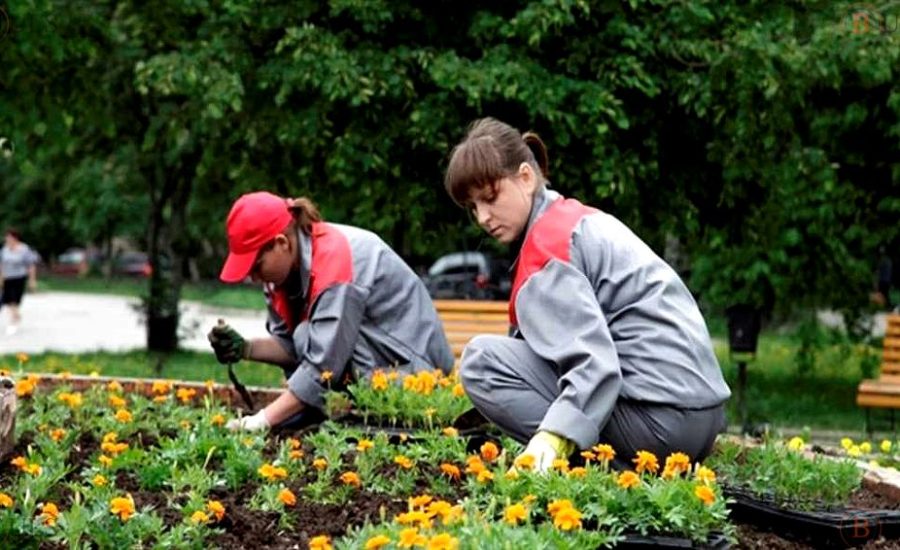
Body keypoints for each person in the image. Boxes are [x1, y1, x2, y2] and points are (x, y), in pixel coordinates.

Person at [443, 118, 731, 471]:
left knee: (482, 362)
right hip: (698, 418)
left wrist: (553, 438)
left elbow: (594, 364)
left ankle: (606, 472)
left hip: (660, 426)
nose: (483, 217)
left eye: (489, 197)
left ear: (526, 177)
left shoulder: (548, 247)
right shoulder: (574, 222)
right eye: (473, 207)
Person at [209, 191, 454, 431]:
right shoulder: (280, 278)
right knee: (305, 334)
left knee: (316, 340)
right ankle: (309, 411)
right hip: (375, 366)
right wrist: (245, 349)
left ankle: (325, 414)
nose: (253, 277)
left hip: (419, 375)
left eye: (256, 266)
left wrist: (260, 421)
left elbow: (323, 365)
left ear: (281, 243)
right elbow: (293, 345)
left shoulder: (337, 265)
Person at [0, 229, 39, 336]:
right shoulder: (5, 249)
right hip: (7, 278)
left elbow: (31, 265)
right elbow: (2, 264)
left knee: (15, 300)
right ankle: (15, 318)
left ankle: (14, 319)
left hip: (19, 278)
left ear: (15, 238)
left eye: (9, 237)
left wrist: (32, 280)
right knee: (8, 300)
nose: (7, 239)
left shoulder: (24, 249)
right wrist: (1, 278)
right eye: (6, 237)